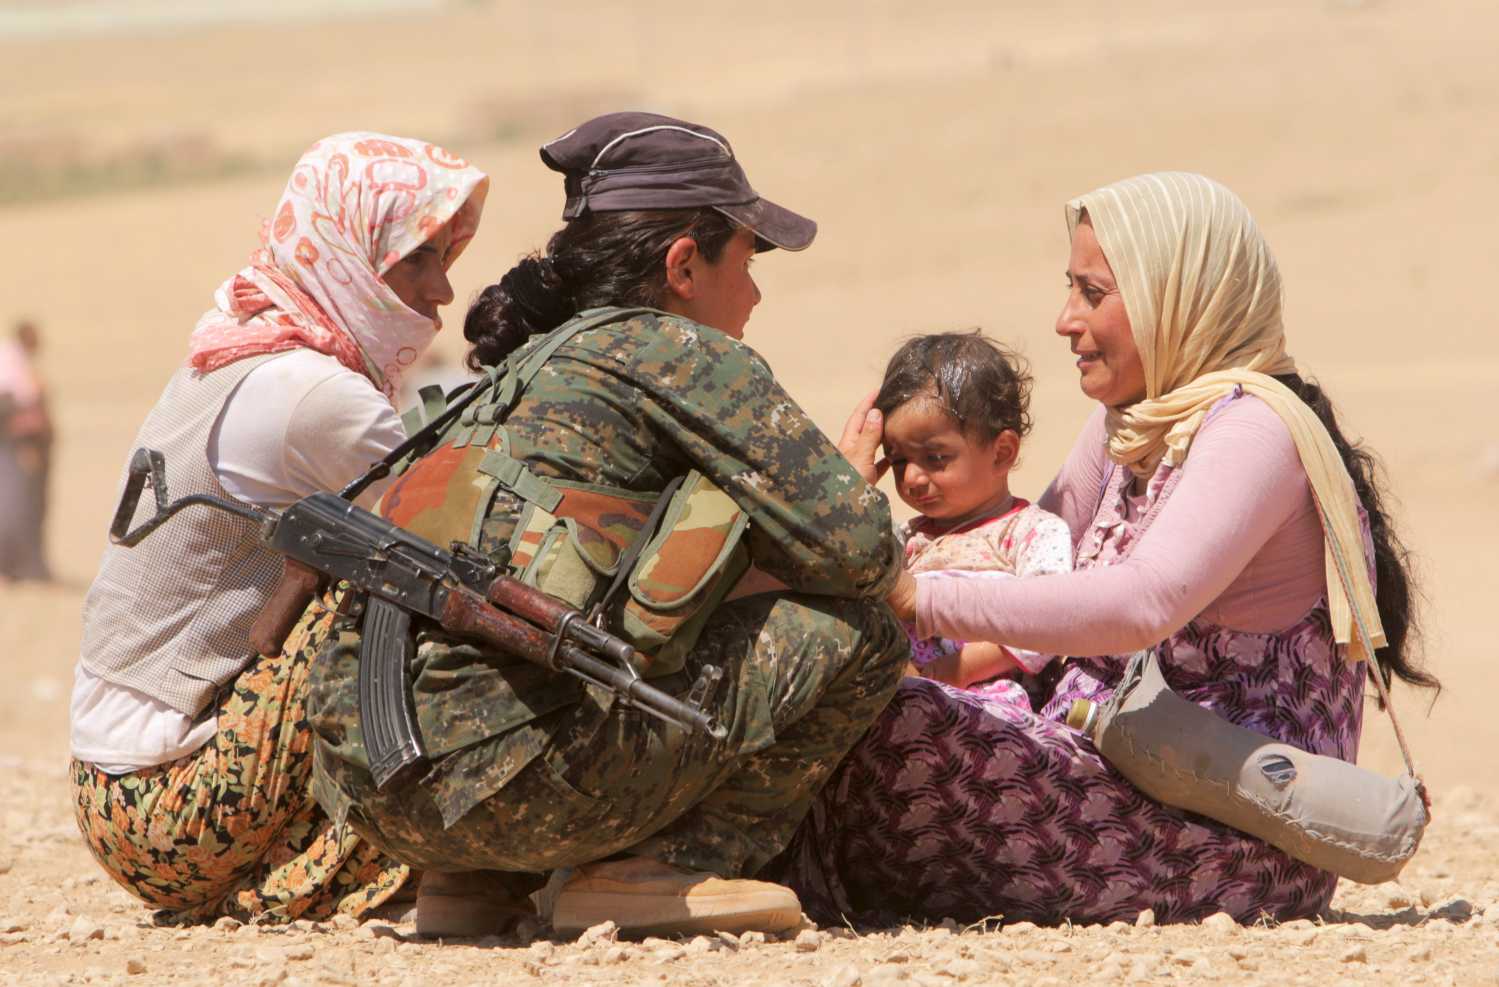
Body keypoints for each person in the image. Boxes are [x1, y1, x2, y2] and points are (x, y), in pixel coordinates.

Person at [771, 172, 1439, 925]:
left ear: (1173, 296)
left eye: (1093, 293)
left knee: (892, 722)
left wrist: (915, 599)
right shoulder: (1135, 421)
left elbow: (1138, 604)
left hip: (1221, 832)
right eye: (1071, 289)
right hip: (1110, 766)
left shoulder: (1254, 430)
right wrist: (851, 500)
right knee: (842, 688)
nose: (1065, 319)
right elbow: (1022, 565)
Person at [304, 111, 907, 940]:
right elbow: (863, 554)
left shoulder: (524, 363)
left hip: (372, 791)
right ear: (683, 264)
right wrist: (844, 488)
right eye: (745, 259)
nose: (756, 292)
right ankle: (658, 867)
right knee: (863, 632)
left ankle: (470, 884)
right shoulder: (678, 354)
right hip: (510, 784)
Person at [70, 133, 489, 924]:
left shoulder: (243, 338)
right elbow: (468, 536)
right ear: (349, 256)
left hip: (112, 790)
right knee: (418, 595)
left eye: (445, 258)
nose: (441, 290)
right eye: (415, 260)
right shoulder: (313, 394)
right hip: (168, 802)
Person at [873, 331, 1071, 698]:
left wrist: (957, 670)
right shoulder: (904, 541)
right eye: (898, 460)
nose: (912, 477)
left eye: (935, 458)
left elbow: (1050, 622)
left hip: (990, 705)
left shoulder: (1030, 533)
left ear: (1001, 453)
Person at [0, 320, 52, 581]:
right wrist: (25, 447)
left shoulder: (17, 363)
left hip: (19, 449)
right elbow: (14, 411)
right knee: (15, 507)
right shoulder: (10, 366)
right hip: (15, 450)